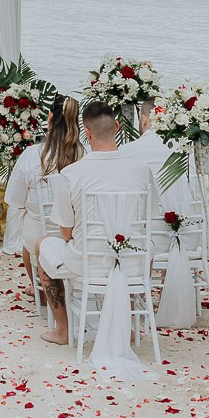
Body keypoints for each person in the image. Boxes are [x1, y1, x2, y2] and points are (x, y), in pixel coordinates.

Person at [35, 100, 162, 345]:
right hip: (132, 263)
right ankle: (128, 325)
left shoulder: (72, 174)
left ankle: (63, 329)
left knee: (42, 245)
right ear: (116, 126)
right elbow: (148, 220)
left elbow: (66, 232)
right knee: (146, 247)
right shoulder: (142, 171)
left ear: (88, 133)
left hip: (86, 262)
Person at [4, 95, 80, 308]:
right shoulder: (86, 154)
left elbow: (15, 201)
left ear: (50, 117)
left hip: (39, 236)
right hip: (77, 236)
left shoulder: (31, 155)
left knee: (29, 243)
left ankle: (41, 289)